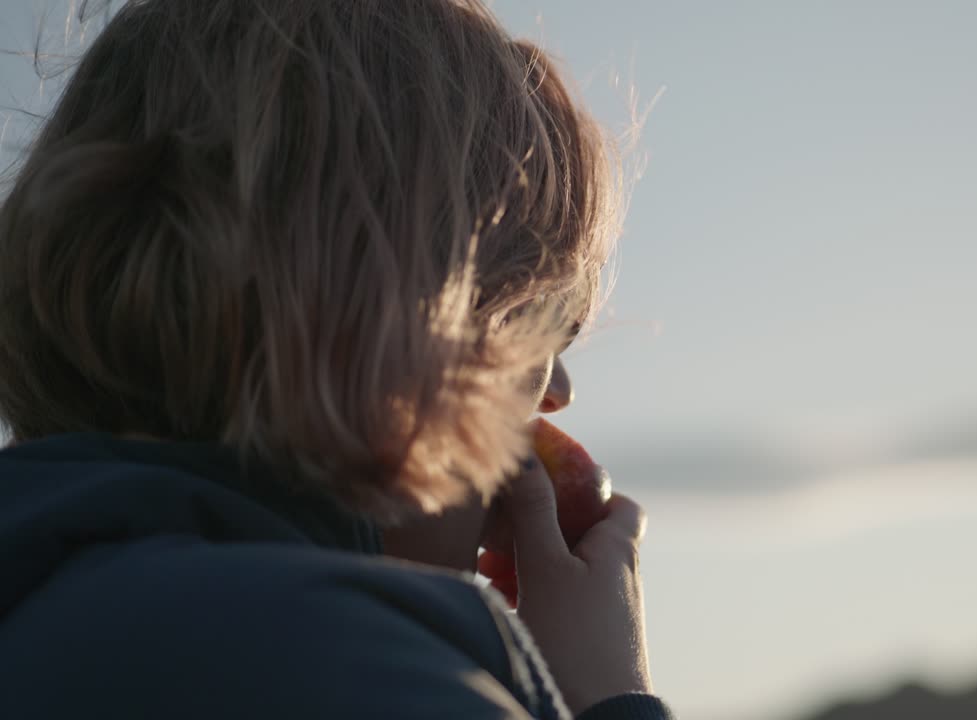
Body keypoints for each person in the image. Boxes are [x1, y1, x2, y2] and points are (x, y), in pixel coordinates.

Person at [0, 1, 671, 718]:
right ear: (401, 311)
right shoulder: (356, 675)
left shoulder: (44, 605)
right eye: (534, 320)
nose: (556, 388)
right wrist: (609, 700)